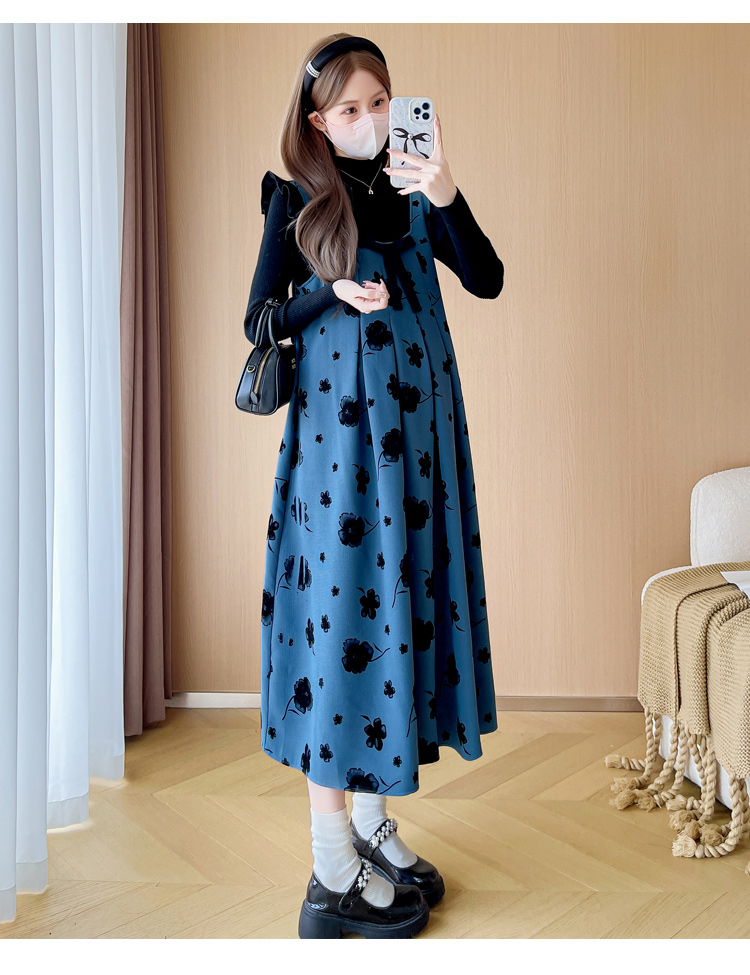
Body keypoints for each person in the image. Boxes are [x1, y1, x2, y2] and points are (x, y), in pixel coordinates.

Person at [244, 32, 504, 939]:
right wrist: (332, 289)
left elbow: (488, 280)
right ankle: (329, 868)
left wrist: (447, 190)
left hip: (420, 461)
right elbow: (259, 320)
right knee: (342, 633)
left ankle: (367, 829)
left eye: (380, 102)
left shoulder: (413, 190)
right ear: (319, 122)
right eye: (350, 108)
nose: (369, 118)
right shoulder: (295, 199)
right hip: (341, 471)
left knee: (393, 631)